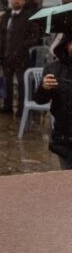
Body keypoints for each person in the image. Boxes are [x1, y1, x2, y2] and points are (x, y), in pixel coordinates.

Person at [0, 0, 40, 115]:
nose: (16, 1)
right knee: (7, 82)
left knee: (21, 83)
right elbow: (0, 36)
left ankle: (21, 108)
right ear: (11, 1)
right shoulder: (6, 16)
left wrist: (22, 46)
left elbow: (35, 37)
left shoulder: (28, 17)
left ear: (23, 2)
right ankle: (7, 106)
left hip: (21, 56)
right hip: (6, 56)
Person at [36, 34, 72, 169]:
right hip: (65, 139)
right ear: (67, 45)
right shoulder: (53, 69)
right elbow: (39, 100)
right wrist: (44, 88)